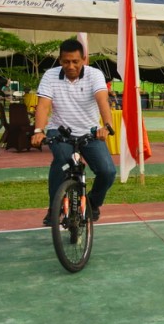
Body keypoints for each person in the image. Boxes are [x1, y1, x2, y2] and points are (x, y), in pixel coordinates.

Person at [31, 38, 116, 226]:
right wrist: (38, 130)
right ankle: (54, 208)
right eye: (66, 61)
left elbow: (102, 100)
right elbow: (43, 106)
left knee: (107, 171)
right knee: (62, 161)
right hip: (60, 132)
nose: (70, 66)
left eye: (75, 61)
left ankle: (93, 202)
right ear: (60, 60)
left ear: (83, 59)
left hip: (90, 133)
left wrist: (107, 126)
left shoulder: (95, 75)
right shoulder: (50, 76)